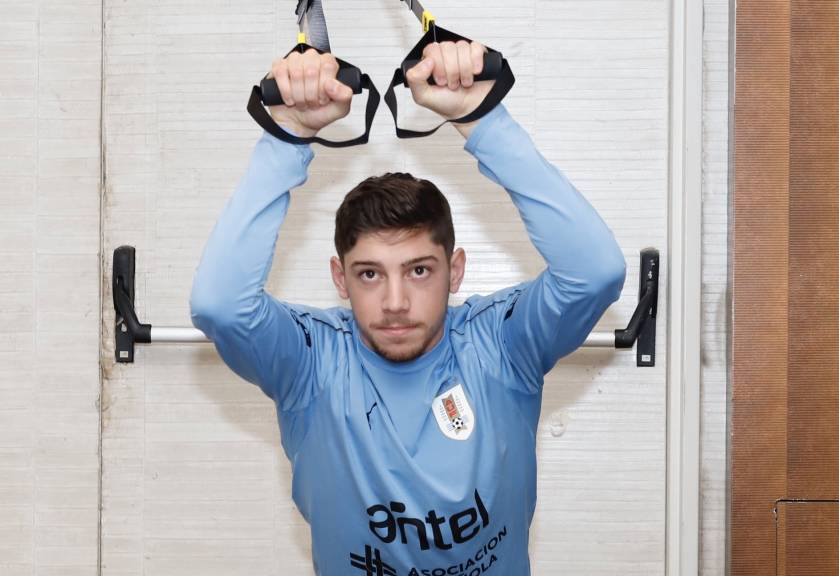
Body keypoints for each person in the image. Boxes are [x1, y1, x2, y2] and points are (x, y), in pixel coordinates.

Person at [190, 40, 626, 576]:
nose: (395, 303)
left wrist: (483, 119)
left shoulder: (500, 345)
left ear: (455, 270)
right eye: (370, 274)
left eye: (419, 270)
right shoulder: (311, 361)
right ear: (340, 279)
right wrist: (287, 134)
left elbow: (595, 272)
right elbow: (219, 305)